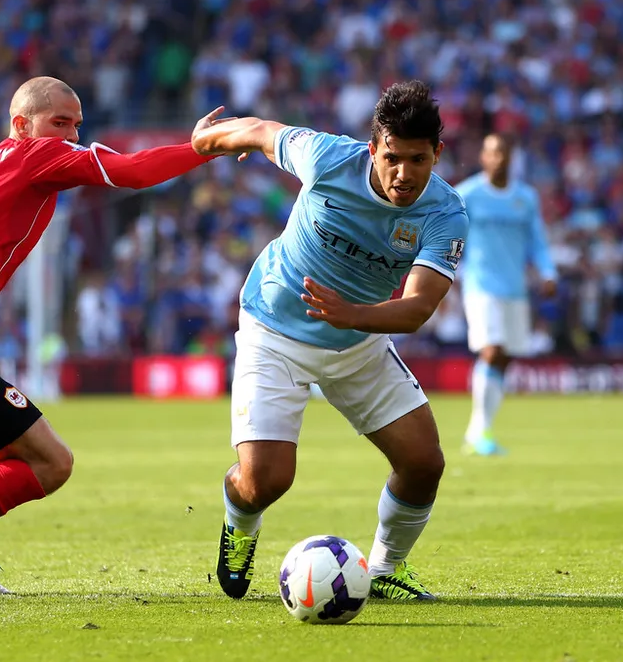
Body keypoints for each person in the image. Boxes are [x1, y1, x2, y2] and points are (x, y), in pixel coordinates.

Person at [0, 76, 222, 605]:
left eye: (77, 124)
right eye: (59, 123)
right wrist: (198, 149)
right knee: (52, 463)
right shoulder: (35, 157)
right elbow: (131, 171)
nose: (70, 135)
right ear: (21, 125)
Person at [191, 80, 468, 603]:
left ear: (438, 154)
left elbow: (418, 308)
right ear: (372, 149)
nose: (404, 174)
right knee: (266, 481)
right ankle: (237, 522)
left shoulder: (445, 213)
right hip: (274, 330)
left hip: (359, 342)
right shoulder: (325, 158)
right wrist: (201, 143)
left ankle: (386, 570)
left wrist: (353, 315)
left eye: (418, 160)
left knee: (423, 463)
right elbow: (258, 131)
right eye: (393, 158)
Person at [455, 134, 557, 456]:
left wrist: (548, 271)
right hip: (481, 286)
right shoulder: (467, 194)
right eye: (492, 153)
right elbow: (447, 233)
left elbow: (537, 241)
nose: (498, 159)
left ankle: (477, 430)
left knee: (505, 357)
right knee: (492, 350)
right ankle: (480, 431)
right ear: (483, 158)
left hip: (515, 288)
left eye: (503, 153)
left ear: (512, 157)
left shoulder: (525, 198)